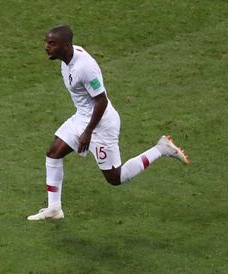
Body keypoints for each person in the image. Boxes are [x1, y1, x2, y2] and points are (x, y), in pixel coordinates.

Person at [28, 24, 190, 221]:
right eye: (46, 42)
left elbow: (101, 100)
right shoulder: (67, 58)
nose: (46, 47)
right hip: (82, 117)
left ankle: (161, 148)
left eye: (51, 43)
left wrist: (88, 132)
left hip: (101, 125)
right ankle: (54, 209)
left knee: (115, 178)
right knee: (53, 153)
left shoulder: (84, 68)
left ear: (66, 45)